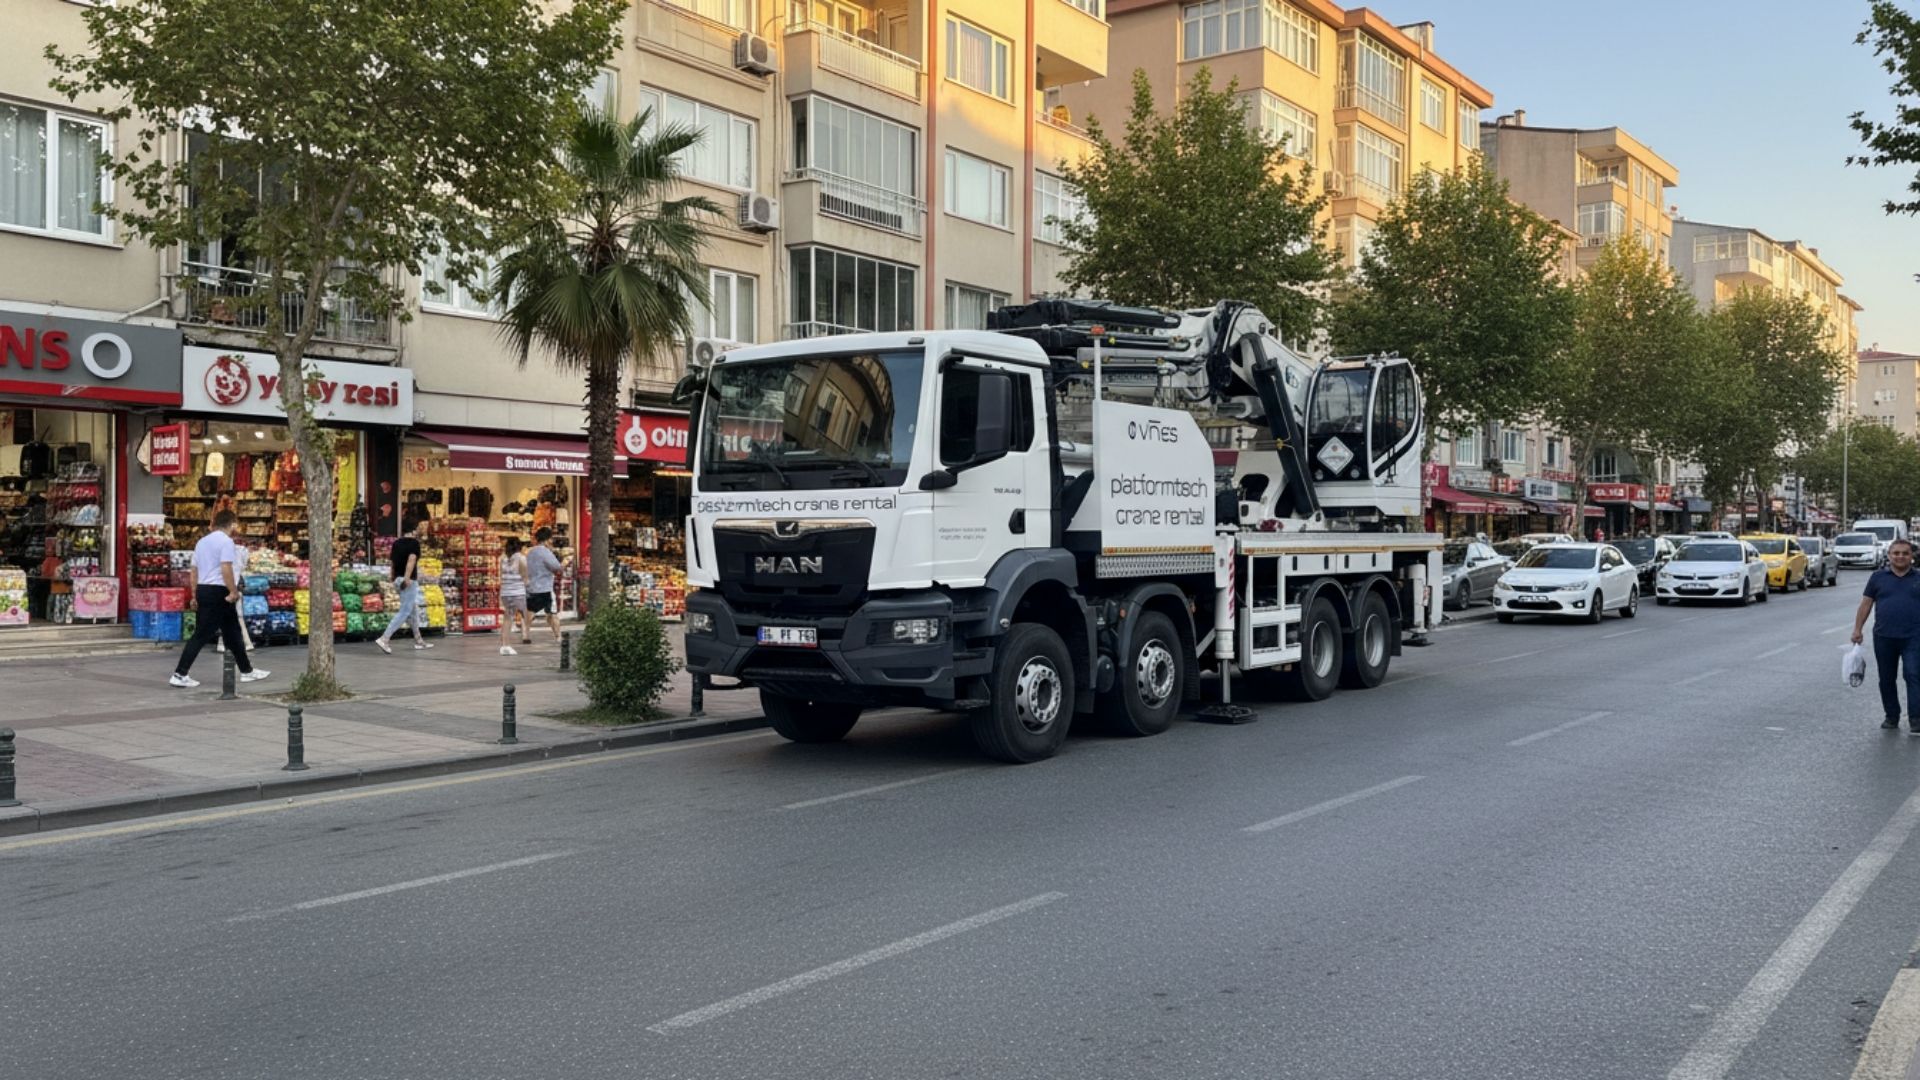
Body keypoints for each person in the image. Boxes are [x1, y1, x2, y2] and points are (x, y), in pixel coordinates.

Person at [171, 510, 269, 688]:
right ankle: (180, 673)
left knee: (232, 632)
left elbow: (194, 571)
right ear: (232, 524)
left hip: (204, 588)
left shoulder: (201, 542)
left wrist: (194, 594)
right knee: (202, 634)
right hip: (219, 591)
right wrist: (233, 591)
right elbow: (226, 568)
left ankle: (246, 670)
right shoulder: (226, 542)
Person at [1853, 538, 1920, 731]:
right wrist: (1857, 629)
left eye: (1905, 553)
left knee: (1914, 675)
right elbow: (1866, 604)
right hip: (1884, 636)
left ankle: (1916, 718)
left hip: (1914, 636)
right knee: (1886, 678)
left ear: (1912, 556)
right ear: (1889, 555)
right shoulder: (1877, 577)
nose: (1900, 557)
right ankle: (1891, 716)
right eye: (1896, 553)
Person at [376, 517, 433, 654]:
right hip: (408, 581)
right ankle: (385, 638)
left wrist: (393, 577)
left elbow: (392, 562)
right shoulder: (414, 543)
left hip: (397, 579)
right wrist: (407, 578)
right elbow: (411, 560)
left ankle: (419, 640)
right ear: (414, 530)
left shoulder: (396, 543)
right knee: (405, 611)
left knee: (412, 611)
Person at [524, 527, 565, 643]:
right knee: (552, 613)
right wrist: (563, 564)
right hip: (545, 588)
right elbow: (557, 567)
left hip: (531, 587)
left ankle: (525, 634)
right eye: (551, 539)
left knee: (530, 611)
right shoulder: (546, 552)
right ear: (547, 540)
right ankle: (558, 637)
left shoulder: (530, 552)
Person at [500, 537, 530, 656]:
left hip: (505, 592)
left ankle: (505, 645)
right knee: (526, 615)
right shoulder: (521, 558)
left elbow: (501, 575)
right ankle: (525, 635)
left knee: (507, 618)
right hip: (518, 592)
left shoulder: (503, 559)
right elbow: (525, 577)